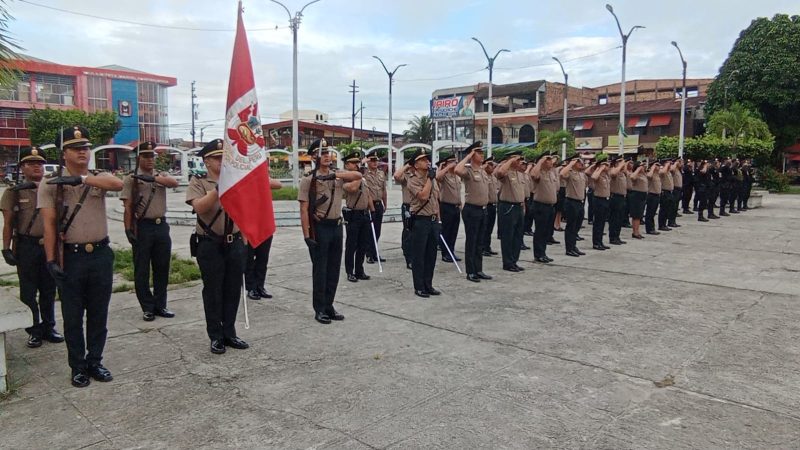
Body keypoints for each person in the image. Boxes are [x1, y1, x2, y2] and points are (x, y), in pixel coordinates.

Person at [39, 126, 123, 387]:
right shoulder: (51, 184)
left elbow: (118, 184)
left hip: (99, 254)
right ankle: (77, 366)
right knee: (73, 316)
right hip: (71, 257)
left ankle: (95, 361)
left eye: (85, 148)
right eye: (75, 149)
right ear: (63, 154)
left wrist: (83, 179)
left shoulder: (97, 176)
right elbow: (49, 225)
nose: (82, 153)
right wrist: (51, 260)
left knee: (99, 313)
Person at [186, 139, 249, 353]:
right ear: (206, 161)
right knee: (213, 291)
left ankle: (230, 332)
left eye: (224, 157)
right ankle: (215, 335)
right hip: (210, 243)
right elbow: (199, 207)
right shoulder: (199, 181)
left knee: (233, 289)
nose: (222, 161)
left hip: (235, 242)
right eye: (217, 157)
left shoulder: (235, 181)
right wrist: (218, 190)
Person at [1, 146, 63, 348]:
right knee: (28, 290)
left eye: (40, 163)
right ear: (22, 167)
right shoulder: (14, 191)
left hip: (49, 245)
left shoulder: (53, 187)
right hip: (27, 246)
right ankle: (34, 329)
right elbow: (8, 222)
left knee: (48, 288)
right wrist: (6, 248)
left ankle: (48, 326)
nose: (37, 167)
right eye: (31, 163)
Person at [297, 139, 362, 324]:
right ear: (314, 157)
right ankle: (319, 309)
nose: (327, 156)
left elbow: (357, 174)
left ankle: (329, 305)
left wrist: (335, 175)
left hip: (337, 226)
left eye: (328, 153)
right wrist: (306, 235)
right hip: (320, 228)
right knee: (320, 271)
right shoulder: (309, 179)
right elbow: (304, 209)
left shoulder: (337, 176)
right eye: (322, 153)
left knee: (333, 269)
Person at [121, 141, 179, 322]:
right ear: (139, 158)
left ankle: (160, 304)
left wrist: (153, 179)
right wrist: (128, 229)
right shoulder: (132, 179)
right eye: (146, 156)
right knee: (142, 269)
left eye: (152, 156)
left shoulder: (160, 176)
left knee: (162, 267)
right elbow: (128, 207)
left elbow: (173, 183)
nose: (150, 160)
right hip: (143, 226)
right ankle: (147, 307)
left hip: (161, 225)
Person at [402, 149, 442, 298]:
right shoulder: (413, 180)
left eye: (427, 159)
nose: (427, 161)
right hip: (420, 221)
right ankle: (419, 287)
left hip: (432, 221)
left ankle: (428, 284)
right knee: (419, 256)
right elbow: (424, 196)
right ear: (416, 164)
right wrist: (430, 180)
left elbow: (435, 200)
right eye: (423, 159)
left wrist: (438, 220)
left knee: (431, 255)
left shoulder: (432, 178)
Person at [454, 141, 492, 283]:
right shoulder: (468, 170)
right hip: (471, 210)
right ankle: (471, 272)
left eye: (482, 152)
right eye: (478, 152)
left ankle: (479, 269)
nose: (482, 155)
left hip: (483, 210)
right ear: (472, 154)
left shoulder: (482, 170)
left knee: (480, 242)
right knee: (472, 241)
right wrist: (468, 155)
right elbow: (457, 169)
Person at [244, 168, 282, 300]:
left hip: (264, 224)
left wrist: (260, 177)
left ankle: (260, 285)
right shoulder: (244, 179)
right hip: (248, 224)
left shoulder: (261, 180)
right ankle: (251, 287)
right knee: (249, 259)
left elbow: (278, 184)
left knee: (262, 258)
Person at [342, 150, 374, 283]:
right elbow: (354, 189)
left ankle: (359, 270)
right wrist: (359, 175)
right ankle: (350, 271)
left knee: (363, 244)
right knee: (351, 245)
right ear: (346, 165)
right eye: (353, 163)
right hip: (353, 215)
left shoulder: (362, 178)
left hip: (364, 214)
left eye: (357, 163)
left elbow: (367, 194)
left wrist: (372, 210)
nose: (356, 165)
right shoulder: (344, 177)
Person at [494, 150, 527, 272]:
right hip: (508, 207)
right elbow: (500, 172)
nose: (519, 162)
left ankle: (514, 261)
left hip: (519, 207)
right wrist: (510, 161)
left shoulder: (520, 173)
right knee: (508, 236)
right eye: (517, 160)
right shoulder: (506, 172)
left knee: (518, 236)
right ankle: (507, 262)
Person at [530, 152, 559, 263]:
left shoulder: (551, 173)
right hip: (541, 206)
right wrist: (541, 161)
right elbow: (533, 175)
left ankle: (543, 253)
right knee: (540, 231)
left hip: (550, 206)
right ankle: (538, 254)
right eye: (548, 159)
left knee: (546, 231)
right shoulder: (539, 173)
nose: (551, 161)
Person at [436, 152, 461, 262]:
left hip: (456, 207)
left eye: (455, 161)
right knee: (446, 231)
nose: (454, 163)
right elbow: (437, 177)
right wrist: (445, 167)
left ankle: (451, 251)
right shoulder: (444, 175)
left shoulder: (456, 176)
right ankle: (445, 253)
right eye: (452, 161)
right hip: (446, 206)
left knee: (454, 231)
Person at [560, 156, 587, 257]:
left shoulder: (581, 174)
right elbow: (562, 174)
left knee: (577, 225)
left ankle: (573, 246)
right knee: (571, 226)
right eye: (578, 162)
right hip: (571, 202)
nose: (581, 164)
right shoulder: (570, 173)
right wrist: (571, 164)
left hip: (580, 202)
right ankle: (569, 248)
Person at [364, 150, 387, 264]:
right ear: (368, 161)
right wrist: (363, 161)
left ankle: (375, 252)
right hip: (369, 205)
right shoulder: (364, 173)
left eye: (376, 160)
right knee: (369, 231)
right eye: (372, 160)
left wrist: (385, 203)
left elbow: (383, 189)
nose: (374, 163)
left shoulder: (381, 173)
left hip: (379, 204)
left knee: (377, 231)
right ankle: (369, 254)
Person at [393, 156, 414, 269]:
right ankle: (408, 257)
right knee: (408, 232)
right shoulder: (406, 176)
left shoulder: (422, 176)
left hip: (419, 208)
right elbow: (396, 175)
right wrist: (407, 165)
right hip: (408, 207)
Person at [589, 159, 611, 250]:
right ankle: (596, 243)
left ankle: (600, 241)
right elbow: (593, 177)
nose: (607, 166)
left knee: (602, 222)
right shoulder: (597, 174)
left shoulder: (606, 175)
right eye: (604, 164)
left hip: (606, 200)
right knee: (597, 222)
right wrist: (600, 168)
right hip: (598, 200)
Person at [480, 156, 499, 257]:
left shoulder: (493, 176)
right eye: (490, 165)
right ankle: (483, 247)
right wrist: (483, 166)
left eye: (493, 165)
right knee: (485, 228)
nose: (492, 166)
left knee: (490, 228)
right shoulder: (483, 175)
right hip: (486, 205)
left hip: (493, 205)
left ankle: (487, 246)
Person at [608, 155, 628, 245]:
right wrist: (619, 165)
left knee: (619, 218)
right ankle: (612, 237)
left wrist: (624, 166)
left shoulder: (622, 173)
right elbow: (612, 174)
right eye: (621, 162)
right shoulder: (613, 170)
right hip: (615, 197)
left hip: (622, 197)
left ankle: (617, 236)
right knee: (614, 219)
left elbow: (626, 172)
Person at [628, 161, 648, 238]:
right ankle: (635, 232)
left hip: (643, 195)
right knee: (636, 215)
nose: (644, 167)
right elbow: (632, 177)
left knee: (640, 215)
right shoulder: (635, 174)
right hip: (637, 195)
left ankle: (637, 231)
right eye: (642, 165)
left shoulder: (643, 175)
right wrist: (639, 169)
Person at [645, 161, 662, 235]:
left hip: (657, 195)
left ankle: (652, 228)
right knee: (650, 213)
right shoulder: (651, 173)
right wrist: (652, 168)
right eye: (657, 165)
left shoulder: (657, 174)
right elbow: (648, 176)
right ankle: (649, 229)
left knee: (653, 213)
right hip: (651, 195)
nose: (658, 167)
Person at [657, 159, 674, 231]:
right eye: (668, 163)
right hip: (664, 192)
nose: (670, 164)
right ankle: (661, 225)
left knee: (667, 209)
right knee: (663, 209)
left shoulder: (668, 171)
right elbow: (662, 173)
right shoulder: (662, 169)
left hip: (669, 192)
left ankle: (664, 224)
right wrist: (666, 165)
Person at [669, 158, 683, 228]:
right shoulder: (673, 169)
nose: (682, 164)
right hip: (675, 189)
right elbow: (671, 170)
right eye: (680, 162)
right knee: (673, 206)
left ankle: (673, 221)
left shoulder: (679, 170)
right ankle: (671, 221)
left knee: (676, 207)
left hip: (679, 189)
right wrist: (675, 163)